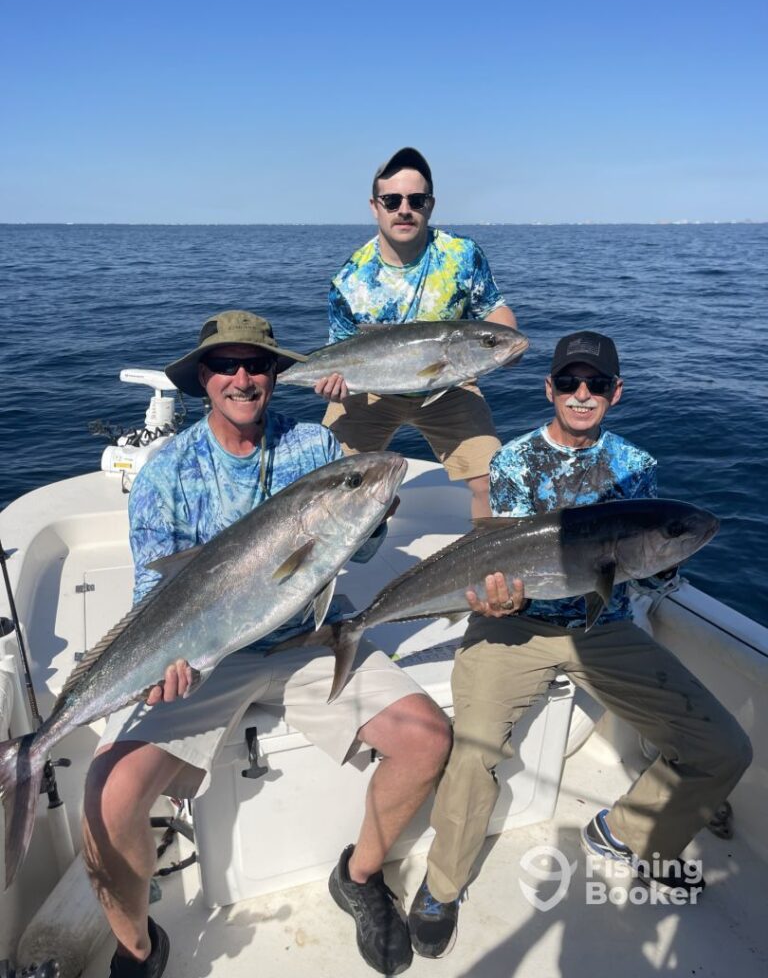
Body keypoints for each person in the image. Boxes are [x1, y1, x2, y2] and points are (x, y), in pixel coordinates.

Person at [82, 310, 451, 978]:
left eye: (257, 365)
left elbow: (356, 548)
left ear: (275, 376)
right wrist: (168, 664)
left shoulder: (313, 447)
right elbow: (154, 594)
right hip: (204, 657)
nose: (243, 377)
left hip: (306, 638)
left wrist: (374, 506)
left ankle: (360, 876)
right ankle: (137, 946)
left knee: (427, 738)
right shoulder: (167, 472)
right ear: (203, 378)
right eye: (227, 365)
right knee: (106, 796)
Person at [406, 330, 753, 957]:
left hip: (602, 628)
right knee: (475, 751)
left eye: (596, 384)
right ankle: (441, 884)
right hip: (512, 625)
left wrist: (667, 559)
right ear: (550, 389)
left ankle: (628, 834)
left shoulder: (637, 467)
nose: (582, 393)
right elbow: (494, 559)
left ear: (616, 393)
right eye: (570, 382)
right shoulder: (512, 461)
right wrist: (494, 599)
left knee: (724, 747)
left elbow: (651, 556)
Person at [317, 146, 519, 518]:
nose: (404, 209)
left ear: (431, 204)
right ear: (374, 205)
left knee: (494, 481)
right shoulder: (349, 279)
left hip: (449, 385)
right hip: (370, 392)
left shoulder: (461, 254)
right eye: (391, 200)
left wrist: (503, 343)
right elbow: (342, 351)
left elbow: (495, 309)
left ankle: (489, 571)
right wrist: (333, 383)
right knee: (326, 485)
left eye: (416, 199)